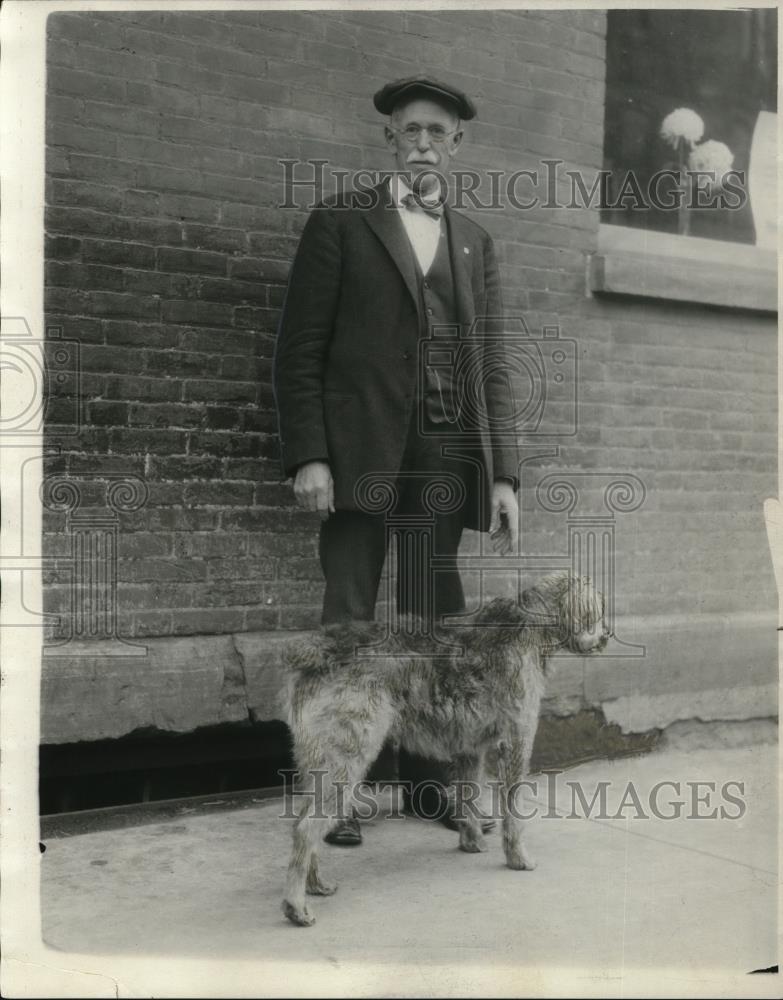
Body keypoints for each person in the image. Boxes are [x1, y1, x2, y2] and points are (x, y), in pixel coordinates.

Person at [274, 76, 521, 844]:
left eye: (436, 133)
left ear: (457, 145)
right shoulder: (341, 221)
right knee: (348, 622)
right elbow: (300, 350)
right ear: (389, 140)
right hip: (356, 454)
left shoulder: (475, 239)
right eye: (409, 130)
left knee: (432, 628)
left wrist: (504, 473)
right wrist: (310, 456)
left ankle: (429, 789)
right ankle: (334, 793)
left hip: (443, 457)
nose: (422, 143)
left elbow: (492, 363)